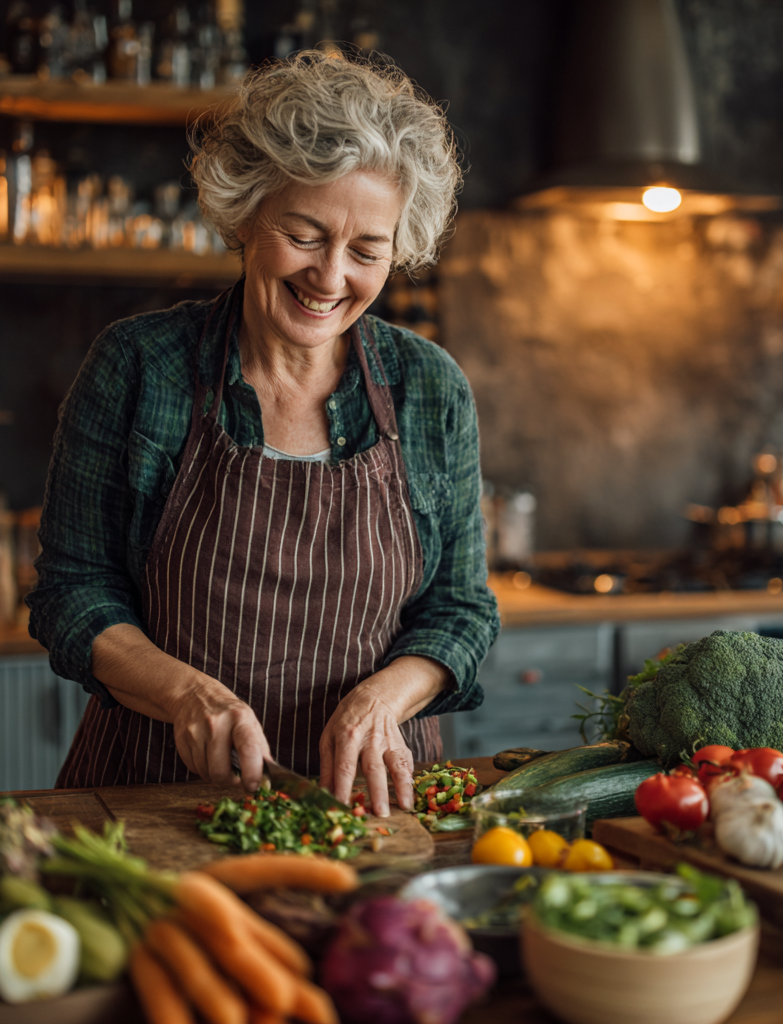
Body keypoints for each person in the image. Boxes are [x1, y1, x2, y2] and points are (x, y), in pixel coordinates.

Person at [27, 52, 499, 816]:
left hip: (370, 803)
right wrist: (184, 695)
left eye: (367, 251)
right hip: (157, 793)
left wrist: (385, 697)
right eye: (305, 234)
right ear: (245, 213)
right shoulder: (140, 367)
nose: (331, 276)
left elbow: (462, 610)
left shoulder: (429, 387)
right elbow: (72, 594)